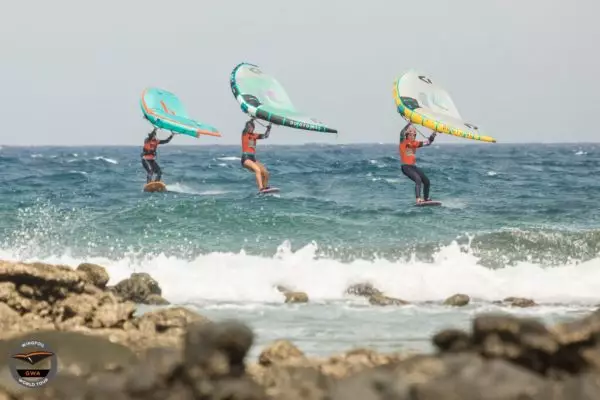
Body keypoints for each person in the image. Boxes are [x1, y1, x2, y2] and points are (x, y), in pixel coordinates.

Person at [399, 123, 436, 203]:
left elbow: (428, 143)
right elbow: (401, 133)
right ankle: (418, 199)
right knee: (418, 179)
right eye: (410, 135)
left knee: (426, 181)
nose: (412, 136)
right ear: (407, 135)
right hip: (405, 167)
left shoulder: (415, 143)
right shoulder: (403, 142)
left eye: (414, 135)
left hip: (413, 167)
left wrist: (434, 134)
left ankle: (426, 198)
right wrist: (409, 123)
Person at [241, 118, 272, 192]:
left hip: (253, 158)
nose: (250, 129)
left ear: (253, 128)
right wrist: (253, 118)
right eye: (248, 127)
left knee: (266, 173)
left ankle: (264, 189)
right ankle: (261, 189)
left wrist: (269, 128)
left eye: (251, 127)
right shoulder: (244, 134)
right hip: (246, 158)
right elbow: (248, 125)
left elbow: (265, 136)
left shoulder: (255, 135)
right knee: (257, 170)